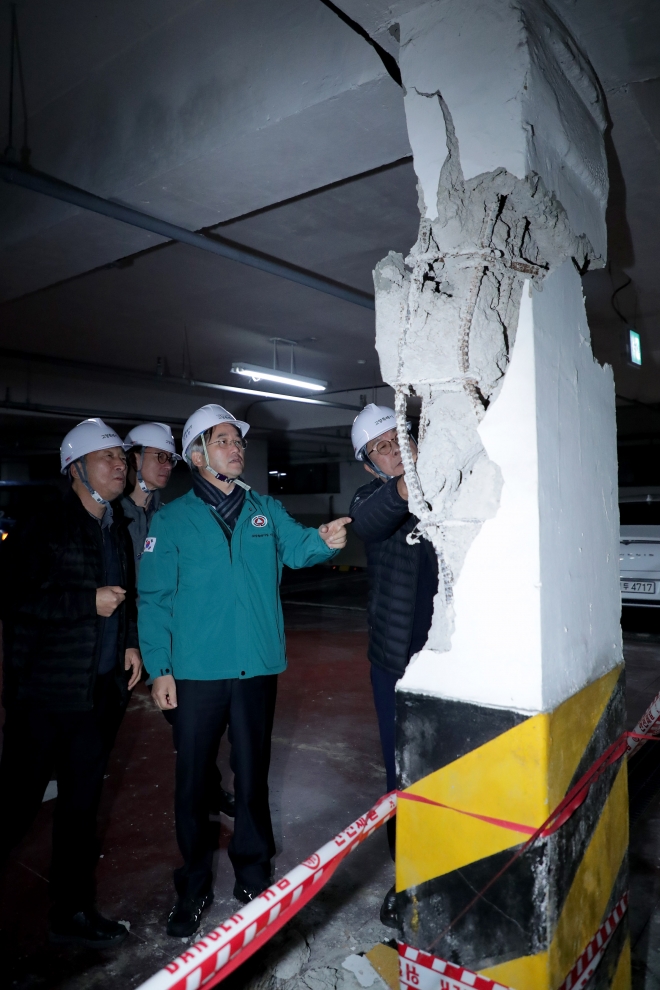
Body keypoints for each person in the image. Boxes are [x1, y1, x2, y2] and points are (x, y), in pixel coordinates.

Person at [138, 403, 350, 937]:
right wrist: (160, 669)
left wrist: (324, 539)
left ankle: (253, 876)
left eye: (239, 442)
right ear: (198, 453)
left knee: (253, 776)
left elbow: (299, 551)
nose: (238, 449)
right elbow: (154, 598)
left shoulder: (263, 510)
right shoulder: (171, 521)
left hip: (255, 667)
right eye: (226, 440)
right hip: (196, 671)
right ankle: (192, 886)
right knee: (193, 784)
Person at [0, 418, 142, 947]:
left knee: (81, 811)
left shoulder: (115, 526)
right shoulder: (44, 525)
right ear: (76, 469)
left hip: (96, 695)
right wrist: (86, 603)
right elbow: (12, 598)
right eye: (108, 458)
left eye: (122, 459)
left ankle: (73, 913)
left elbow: (121, 597)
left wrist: (127, 640)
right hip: (43, 698)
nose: (119, 466)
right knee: (14, 809)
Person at [349, 403, 438, 928]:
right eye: (382, 447)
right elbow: (369, 521)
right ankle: (405, 878)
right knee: (402, 771)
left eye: (398, 438)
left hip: (449, 659)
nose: (394, 450)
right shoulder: (372, 499)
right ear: (369, 465)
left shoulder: (444, 489)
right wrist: (407, 482)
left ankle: (447, 864)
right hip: (396, 663)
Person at [121, 421, 236, 820]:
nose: (167, 465)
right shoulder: (114, 516)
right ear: (132, 459)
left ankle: (207, 791)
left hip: (164, 640)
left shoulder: (167, 513)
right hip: (123, 638)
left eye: (170, 458)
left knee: (189, 728)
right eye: (157, 457)